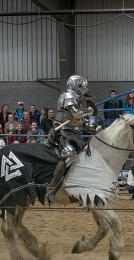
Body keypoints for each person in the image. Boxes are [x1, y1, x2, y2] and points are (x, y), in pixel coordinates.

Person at [45, 75, 95, 203]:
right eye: (83, 85)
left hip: (75, 134)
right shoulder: (69, 96)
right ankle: (51, 188)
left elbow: (79, 121)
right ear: (77, 85)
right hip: (64, 133)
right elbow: (76, 114)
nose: (85, 88)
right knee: (70, 155)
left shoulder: (78, 99)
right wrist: (89, 112)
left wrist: (91, 128)